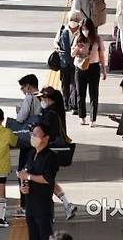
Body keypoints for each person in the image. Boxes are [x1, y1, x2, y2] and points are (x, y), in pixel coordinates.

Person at [37, 87, 77, 221]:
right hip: (54, 153)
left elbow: (48, 134)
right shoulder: (56, 110)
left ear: (48, 99)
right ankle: (67, 205)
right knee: (50, 181)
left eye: (42, 98)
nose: (41, 101)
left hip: (49, 153)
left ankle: (50, 215)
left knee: (45, 183)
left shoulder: (50, 114)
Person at [18, 123, 59, 240]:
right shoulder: (31, 154)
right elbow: (24, 172)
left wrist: (28, 177)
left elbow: (47, 178)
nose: (33, 137)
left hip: (43, 206)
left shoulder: (51, 157)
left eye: (36, 134)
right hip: (30, 204)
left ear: (46, 138)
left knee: (45, 236)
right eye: (32, 134)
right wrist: (23, 185)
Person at [15, 74, 42, 216]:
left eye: (23, 87)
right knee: (36, 172)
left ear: (29, 86)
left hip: (28, 140)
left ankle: (25, 205)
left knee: (23, 172)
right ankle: (36, 204)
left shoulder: (29, 98)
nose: (22, 90)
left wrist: (19, 111)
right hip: (40, 139)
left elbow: (21, 118)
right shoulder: (43, 96)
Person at [71, 18, 106, 127]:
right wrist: (77, 48)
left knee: (93, 94)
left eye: (87, 28)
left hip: (93, 67)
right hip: (79, 68)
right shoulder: (78, 38)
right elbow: (72, 54)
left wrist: (103, 70)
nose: (85, 30)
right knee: (80, 94)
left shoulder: (97, 39)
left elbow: (101, 55)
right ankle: (82, 117)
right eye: (83, 28)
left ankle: (93, 119)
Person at [55, 12, 82, 111]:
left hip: (76, 63)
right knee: (65, 84)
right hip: (64, 62)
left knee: (75, 84)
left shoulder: (82, 31)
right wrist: (57, 47)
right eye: (72, 19)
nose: (73, 22)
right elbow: (56, 42)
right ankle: (65, 103)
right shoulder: (62, 30)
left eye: (75, 20)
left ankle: (74, 105)